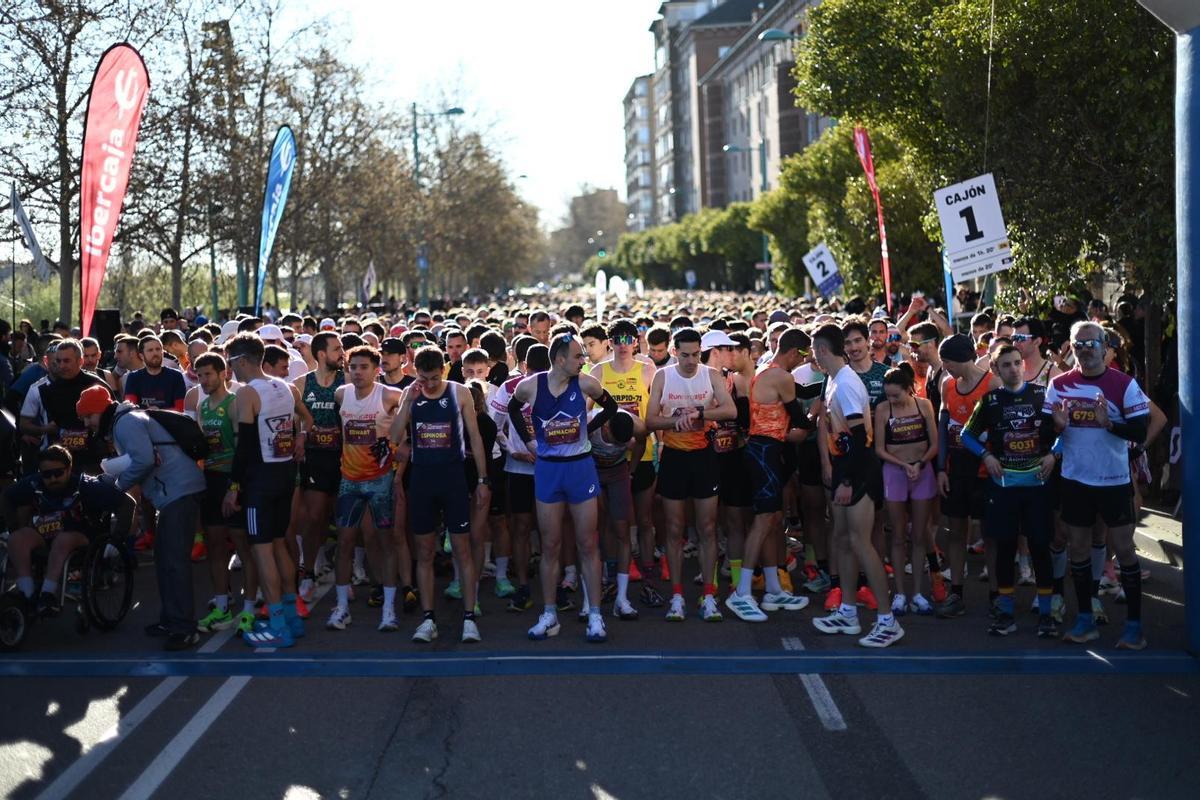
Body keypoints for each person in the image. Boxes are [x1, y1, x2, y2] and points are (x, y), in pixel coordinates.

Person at [78, 384, 207, 650]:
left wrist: (117, 487)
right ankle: (172, 620)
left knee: (174, 563)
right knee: (165, 560)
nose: (87, 423)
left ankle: (184, 628)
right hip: (173, 492)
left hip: (178, 492)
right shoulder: (125, 419)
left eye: (88, 416)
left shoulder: (125, 423)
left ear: (100, 411)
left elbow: (144, 460)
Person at [508, 333, 619, 642]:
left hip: (580, 468)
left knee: (587, 544)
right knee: (550, 545)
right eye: (577, 356)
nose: (583, 360)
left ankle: (595, 615)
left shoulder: (586, 384)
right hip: (548, 470)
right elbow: (513, 410)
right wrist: (529, 439)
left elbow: (611, 409)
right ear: (559, 359)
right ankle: (549, 614)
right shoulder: (529, 386)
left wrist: (588, 429)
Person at [1047, 321, 1150, 649]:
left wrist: (1111, 424)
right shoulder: (1059, 385)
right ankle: (1085, 620)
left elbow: (1139, 433)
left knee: (1122, 550)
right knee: (1077, 547)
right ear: (1071, 347)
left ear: (1105, 347)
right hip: (1076, 480)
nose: (1085, 351)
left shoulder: (1124, 385)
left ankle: (1134, 627)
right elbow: (1044, 435)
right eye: (1078, 345)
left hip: (1114, 481)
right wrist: (1057, 428)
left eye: (1091, 344)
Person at [808, 324, 903, 647]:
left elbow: (860, 439)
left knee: (862, 543)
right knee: (844, 540)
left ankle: (888, 620)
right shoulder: (834, 380)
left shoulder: (846, 383)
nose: (812, 356)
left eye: (813, 350)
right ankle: (848, 611)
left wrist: (848, 480)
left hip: (859, 473)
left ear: (822, 350)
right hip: (844, 470)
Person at [390, 345, 490, 643]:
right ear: (415, 373)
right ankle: (428, 618)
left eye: (434, 378)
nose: (430, 384)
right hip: (421, 480)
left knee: (463, 549)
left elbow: (475, 438)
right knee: (424, 551)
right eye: (424, 378)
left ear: (444, 370)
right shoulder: (412, 394)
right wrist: (409, 401)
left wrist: (483, 480)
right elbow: (394, 438)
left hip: (453, 478)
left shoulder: (459, 393)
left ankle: (469, 617)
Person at [961, 344, 1060, 638]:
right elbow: (967, 435)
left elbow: (1064, 433)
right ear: (996, 370)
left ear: (1024, 365)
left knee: (1041, 548)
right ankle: (1005, 612)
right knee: (1004, 549)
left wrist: (1054, 455)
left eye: (1017, 363)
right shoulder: (990, 400)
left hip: (1038, 486)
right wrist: (986, 456)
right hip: (1003, 487)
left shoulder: (1043, 396)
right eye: (1006, 365)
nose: (1014, 369)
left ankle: (1046, 614)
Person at [645, 327, 737, 622]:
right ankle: (676, 595)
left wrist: (699, 412)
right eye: (684, 354)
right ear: (674, 352)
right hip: (674, 457)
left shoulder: (710, 375)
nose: (690, 360)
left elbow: (730, 410)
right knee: (674, 529)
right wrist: (675, 421)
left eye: (695, 354)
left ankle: (708, 595)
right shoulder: (663, 376)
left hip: (704, 457)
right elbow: (649, 421)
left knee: (708, 528)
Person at [221, 333, 305, 648]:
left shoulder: (247, 393)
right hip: (284, 474)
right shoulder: (286, 385)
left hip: (260, 479)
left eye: (231, 363)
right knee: (279, 544)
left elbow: (243, 448)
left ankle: (279, 624)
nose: (231, 371)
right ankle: (293, 619)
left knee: (262, 550)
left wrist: (233, 486)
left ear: (242, 360)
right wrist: (300, 438)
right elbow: (302, 420)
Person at [725, 327, 814, 622]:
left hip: (765, 451)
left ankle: (774, 588)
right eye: (804, 355)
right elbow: (800, 419)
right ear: (794, 353)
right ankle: (742, 593)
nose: (806, 360)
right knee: (763, 521)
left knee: (772, 518)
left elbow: (802, 396)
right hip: (765, 452)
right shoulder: (781, 376)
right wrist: (819, 414)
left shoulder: (766, 367)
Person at [2, 446, 134, 618]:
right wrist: (13, 527)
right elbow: (7, 496)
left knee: (63, 540)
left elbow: (127, 503)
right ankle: (27, 594)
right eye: (47, 474)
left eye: (58, 473)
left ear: (69, 469)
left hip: (81, 536)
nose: (53, 478)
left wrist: (116, 540)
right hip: (45, 533)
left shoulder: (86, 485)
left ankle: (47, 594)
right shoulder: (34, 483)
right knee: (16, 539)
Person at [327, 346, 402, 633]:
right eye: (353, 367)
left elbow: (406, 421)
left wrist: (398, 450)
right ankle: (342, 608)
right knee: (345, 543)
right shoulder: (340, 394)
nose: (358, 372)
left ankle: (389, 609)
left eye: (364, 367)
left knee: (386, 543)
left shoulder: (389, 396)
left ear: (376, 369)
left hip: (380, 481)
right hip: (350, 480)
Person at [588, 318, 659, 604]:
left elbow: (655, 413)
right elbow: (587, 416)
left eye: (629, 339)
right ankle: (610, 576)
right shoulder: (598, 371)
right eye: (617, 339)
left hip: (642, 453)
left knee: (643, 520)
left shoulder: (648, 370)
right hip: (606, 458)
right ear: (609, 342)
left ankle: (648, 580)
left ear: (637, 342)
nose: (623, 345)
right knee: (607, 522)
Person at [192, 352, 259, 636]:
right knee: (215, 545)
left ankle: (249, 608)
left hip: (236, 481)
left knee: (245, 548)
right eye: (200, 376)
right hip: (211, 480)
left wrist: (235, 487)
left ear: (224, 374)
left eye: (209, 374)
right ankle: (221, 605)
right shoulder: (202, 406)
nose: (204, 380)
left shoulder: (234, 404)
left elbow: (245, 449)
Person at [935, 333, 999, 618]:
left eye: (948, 361)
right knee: (956, 531)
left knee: (991, 534)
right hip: (957, 467)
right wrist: (940, 468)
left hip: (987, 468)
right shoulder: (947, 384)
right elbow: (943, 425)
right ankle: (956, 592)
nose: (945, 367)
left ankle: (999, 596)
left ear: (962, 357)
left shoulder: (992, 383)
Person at [873, 363, 939, 617]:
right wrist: (903, 465)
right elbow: (880, 448)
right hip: (895, 472)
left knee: (920, 534)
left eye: (896, 395)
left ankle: (918, 593)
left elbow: (934, 443)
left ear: (909, 389)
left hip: (922, 472)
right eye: (888, 395)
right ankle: (899, 592)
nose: (893, 400)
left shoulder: (924, 406)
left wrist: (920, 464)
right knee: (898, 535)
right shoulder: (882, 409)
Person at [294, 332, 345, 606]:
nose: (342, 353)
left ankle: (344, 576)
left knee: (342, 519)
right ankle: (309, 572)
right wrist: (301, 435)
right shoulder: (302, 383)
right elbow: (294, 421)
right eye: (337, 349)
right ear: (321, 353)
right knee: (314, 517)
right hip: (314, 458)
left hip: (342, 458)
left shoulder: (347, 381)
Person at [123, 336, 187, 411]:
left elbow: (180, 409)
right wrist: (149, 412)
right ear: (141, 356)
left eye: (158, 349)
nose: (155, 353)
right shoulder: (133, 377)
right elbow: (130, 408)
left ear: (162, 353)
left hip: (169, 420)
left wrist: (158, 412)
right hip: (142, 420)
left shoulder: (176, 376)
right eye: (150, 350)